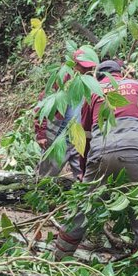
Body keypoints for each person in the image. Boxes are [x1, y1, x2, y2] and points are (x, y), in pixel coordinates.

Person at [53, 59, 138, 261]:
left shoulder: (94, 94)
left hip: (99, 155)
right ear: (122, 73)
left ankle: (58, 261)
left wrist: (83, 173)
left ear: (98, 77)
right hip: (135, 154)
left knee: (80, 211)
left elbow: (84, 138)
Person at [34, 47, 93, 179]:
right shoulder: (61, 81)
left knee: (84, 179)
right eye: (83, 67)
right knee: (45, 179)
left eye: (89, 67)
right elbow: (41, 108)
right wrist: (41, 133)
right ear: (74, 65)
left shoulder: (92, 84)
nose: (87, 70)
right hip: (58, 139)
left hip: (79, 141)